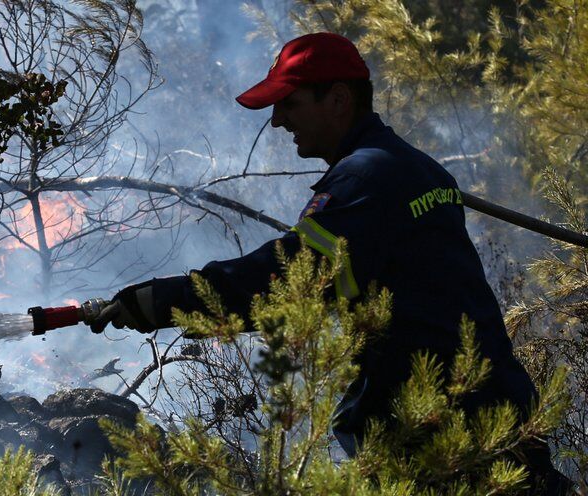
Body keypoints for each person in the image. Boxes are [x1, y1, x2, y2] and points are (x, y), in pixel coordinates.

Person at [90, 32, 570, 494]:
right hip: (491, 412)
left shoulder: (365, 178)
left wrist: (163, 301)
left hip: (438, 432)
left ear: (339, 99)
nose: (277, 121)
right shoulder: (417, 168)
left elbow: (287, 282)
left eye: (290, 103)